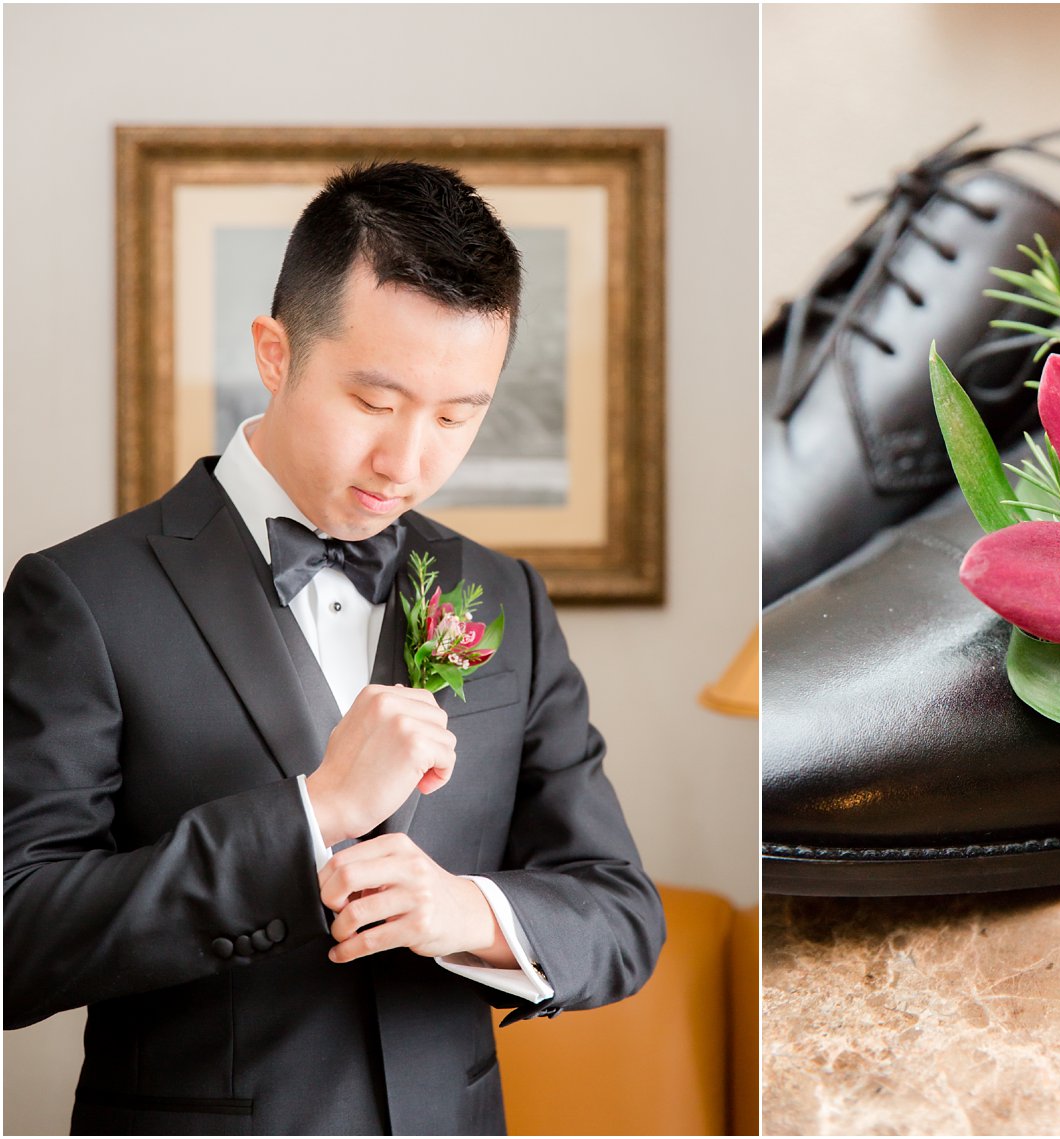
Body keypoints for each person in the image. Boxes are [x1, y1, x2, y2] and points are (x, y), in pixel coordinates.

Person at [3, 160, 665, 1135]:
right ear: (275, 352)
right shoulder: (82, 598)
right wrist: (310, 816)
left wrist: (464, 912)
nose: (409, 461)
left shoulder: (505, 598)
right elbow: (18, 935)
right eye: (373, 401)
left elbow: (619, 913)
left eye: (456, 415)